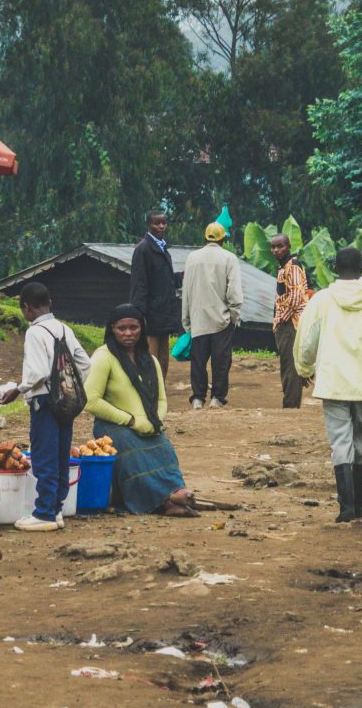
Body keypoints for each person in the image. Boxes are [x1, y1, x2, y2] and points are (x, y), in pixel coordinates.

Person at [293, 247, 362, 523]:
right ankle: (360, 504)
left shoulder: (322, 300)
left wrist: (304, 368)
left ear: (336, 270)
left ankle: (346, 508)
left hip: (333, 382)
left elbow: (306, 339)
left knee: (340, 441)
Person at [84, 305, 198, 516]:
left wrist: (157, 420)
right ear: (112, 329)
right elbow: (91, 401)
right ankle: (167, 500)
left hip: (148, 424)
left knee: (164, 450)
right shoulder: (104, 357)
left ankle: (176, 491)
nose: (128, 333)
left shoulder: (150, 360)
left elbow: (162, 398)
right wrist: (131, 421)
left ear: (142, 329)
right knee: (133, 455)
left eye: (134, 328)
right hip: (113, 426)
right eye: (122, 328)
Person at [12, 282, 91, 532]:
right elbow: (85, 363)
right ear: (49, 303)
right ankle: (56, 508)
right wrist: (71, 386)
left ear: (26, 308)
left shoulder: (35, 332)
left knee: (44, 456)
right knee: (60, 455)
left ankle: (44, 512)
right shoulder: (64, 328)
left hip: (44, 400)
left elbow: (37, 372)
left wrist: (19, 388)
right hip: (65, 401)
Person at [181, 222, 243, 409]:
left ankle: (198, 398)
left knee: (198, 360)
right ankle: (217, 397)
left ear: (205, 237)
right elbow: (234, 292)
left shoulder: (192, 258)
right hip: (221, 320)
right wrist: (234, 315)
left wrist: (186, 319)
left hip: (198, 318)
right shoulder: (229, 258)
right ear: (224, 239)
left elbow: (187, 290)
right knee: (221, 360)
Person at [128, 211, 179, 377]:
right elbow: (139, 283)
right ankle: (149, 390)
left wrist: (181, 278)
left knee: (164, 357)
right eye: (157, 223)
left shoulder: (162, 247)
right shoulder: (143, 249)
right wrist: (139, 313)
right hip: (151, 313)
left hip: (164, 311)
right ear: (148, 225)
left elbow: (165, 279)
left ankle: (160, 390)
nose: (161, 226)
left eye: (164, 223)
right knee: (151, 355)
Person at [270, 234, 311, 409]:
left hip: (290, 324)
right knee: (289, 365)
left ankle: (291, 406)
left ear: (289, 247)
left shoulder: (292, 267)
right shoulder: (284, 267)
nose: (276, 250)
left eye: (280, 246)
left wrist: (281, 320)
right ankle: (291, 402)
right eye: (273, 247)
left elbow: (295, 298)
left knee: (290, 367)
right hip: (287, 323)